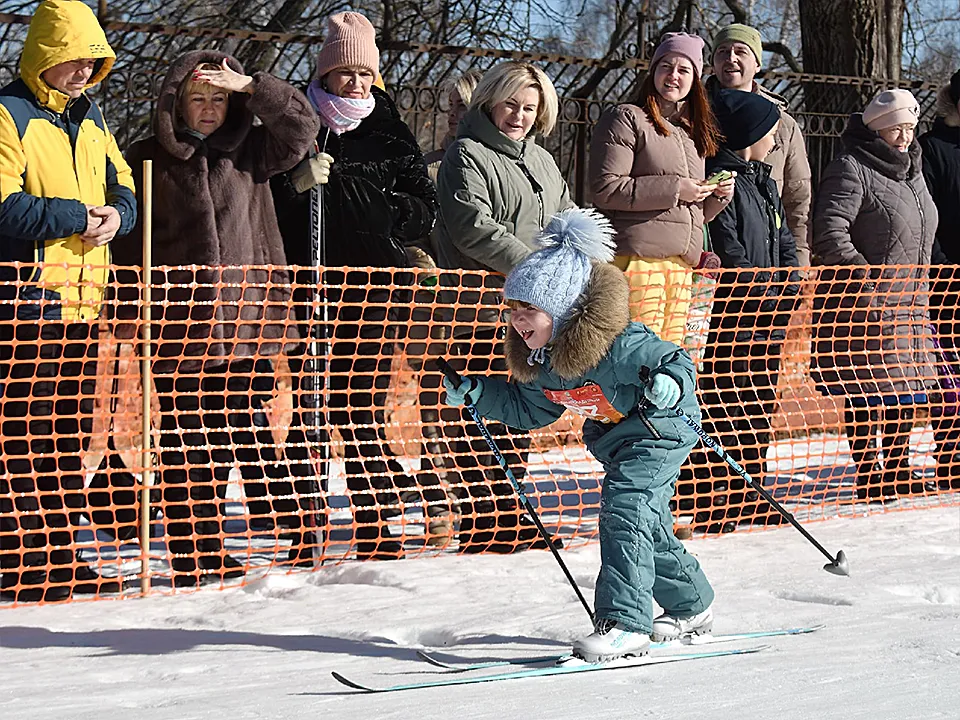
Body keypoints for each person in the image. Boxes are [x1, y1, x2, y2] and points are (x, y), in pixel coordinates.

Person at [441, 208, 714, 661]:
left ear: (563, 309)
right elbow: (530, 409)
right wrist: (478, 393)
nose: (517, 320)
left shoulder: (619, 344)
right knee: (644, 521)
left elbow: (673, 359)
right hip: (620, 438)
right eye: (513, 309)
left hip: (661, 428)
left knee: (626, 506)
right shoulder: (543, 360)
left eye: (529, 309)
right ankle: (692, 605)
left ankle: (626, 625)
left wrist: (670, 380)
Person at [115, 50, 322, 586]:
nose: (208, 109)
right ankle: (193, 553)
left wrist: (252, 85)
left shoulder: (252, 149)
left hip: (249, 324)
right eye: (197, 98)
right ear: (176, 102)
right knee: (186, 445)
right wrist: (130, 312)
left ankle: (260, 536)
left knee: (240, 435)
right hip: (179, 329)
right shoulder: (145, 158)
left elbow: (303, 127)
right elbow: (129, 246)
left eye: (219, 98)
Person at [271, 12, 445, 560]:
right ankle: (307, 528)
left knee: (361, 406)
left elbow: (425, 208)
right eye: (346, 72)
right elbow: (262, 199)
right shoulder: (298, 125)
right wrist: (295, 185)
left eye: (365, 74)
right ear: (324, 73)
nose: (356, 83)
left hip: (376, 289)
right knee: (311, 405)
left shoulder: (388, 129)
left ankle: (374, 522)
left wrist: (381, 208)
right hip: (308, 282)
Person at [0, 0, 136, 602]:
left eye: (94, 61)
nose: (85, 71)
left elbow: (124, 183)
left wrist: (119, 216)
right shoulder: (8, 114)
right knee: (25, 436)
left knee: (70, 434)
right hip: (26, 299)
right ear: (45, 56)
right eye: (76, 58)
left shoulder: (92, 117)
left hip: (86, 300)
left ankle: (61, 557)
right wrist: (78, 216)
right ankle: (26, 562)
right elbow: (3, 205)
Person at [434, 60, 573, 552]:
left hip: (533, 312)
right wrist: (535, 265)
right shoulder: (466, 153)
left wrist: (570, 261)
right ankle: (481, 520)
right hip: (478, 307)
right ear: (490, 101)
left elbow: (565, 218)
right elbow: (472, 226)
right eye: (511, 104)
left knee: (520, 409)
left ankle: (512, 513)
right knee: (480, 410)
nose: (519, 116)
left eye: (530, 108)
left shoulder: (543, 161)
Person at [812, 89, 939, 501]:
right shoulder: (851, 167)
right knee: (867, 389)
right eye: (895, 129)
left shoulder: (913, 170)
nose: (904, 137)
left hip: (912, 300)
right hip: (866, 301)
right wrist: (864, 278)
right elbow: (829, 230)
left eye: (909, 128)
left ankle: (898, 468)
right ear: (876, 129)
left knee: (905, 388)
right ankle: (870, 473)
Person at [695, 90, 802, 532]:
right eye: (770, 133)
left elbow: (784, 239)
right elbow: (729, 247)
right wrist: (760, 291)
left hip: (770, 318)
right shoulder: (723, 181)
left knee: (760, 402)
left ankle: (752, 492)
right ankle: (713, 495)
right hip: (736, 316)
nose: (775, 142)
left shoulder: (766, 183)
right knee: (727, 403)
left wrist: (790, 283)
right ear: (748, 136)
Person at [590, 32, 732, 345]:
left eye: (684, 70)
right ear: (653, 70)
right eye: (666, 66)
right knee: (635, 357)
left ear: (695, 79)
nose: (673, 75)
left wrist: (716, 197)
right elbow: (606, 188)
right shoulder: (626, 117)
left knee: (667, 361)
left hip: (680, 268)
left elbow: (686, 215)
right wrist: (676, 188)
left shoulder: (691, 133)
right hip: (638, 262)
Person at [707, 23, 813, 265]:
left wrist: (799, 263)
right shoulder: (693, 115)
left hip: (770, 258)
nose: (731, 58)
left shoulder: (782, 124)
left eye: (741, 51)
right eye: (722, 51)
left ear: (757, 64)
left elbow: (797, 197)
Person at [920, 69, 960, 490]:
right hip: (948, 282)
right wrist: (943, 266)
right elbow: (927, 215)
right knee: (950, 378)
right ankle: (950, 457)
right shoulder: (933, 148)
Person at [423, 69, 482, 182]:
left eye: (462, 105)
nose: (452, 112)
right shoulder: (429, 166)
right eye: (451, 104)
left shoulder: (504, 162)